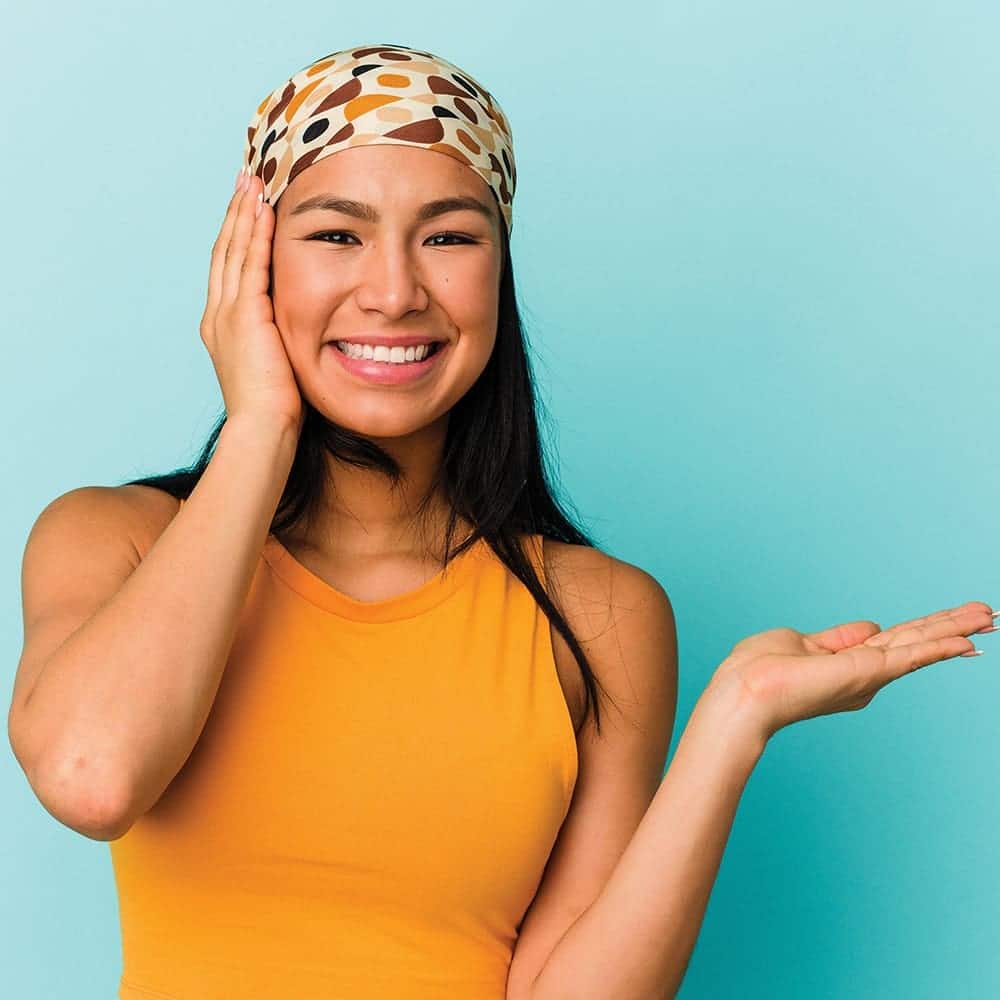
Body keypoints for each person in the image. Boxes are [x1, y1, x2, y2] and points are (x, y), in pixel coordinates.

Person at [7, 41, 995, 1000]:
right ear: (252, 264)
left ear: (498, 269)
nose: (393, 291)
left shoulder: (600, 613)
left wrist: (731, 724)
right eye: (335, 234)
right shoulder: (115, 540)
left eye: (448, 234)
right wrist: (261, 423)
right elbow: (94, 777)